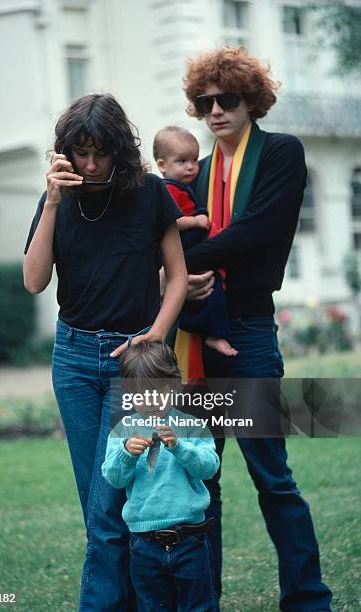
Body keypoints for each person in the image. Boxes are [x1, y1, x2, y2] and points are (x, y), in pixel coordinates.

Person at [176, 46, 333, 611]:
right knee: (199, 483)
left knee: (272, 476)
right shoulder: (197, 169)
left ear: (251, 101)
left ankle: (309, 599)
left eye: (228, 99)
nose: (215, 110)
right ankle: (204, 601)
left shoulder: (281, 153)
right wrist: (180, 272)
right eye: (205, 101)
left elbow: (258, 231)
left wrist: (185, 267)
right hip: (195, 334)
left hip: (246, 331)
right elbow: (177, 231)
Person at [23, 93, 187, 612]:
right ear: (65, 152)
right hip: (72, 360)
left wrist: (156, 335)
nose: (91, 164)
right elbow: (33, 282)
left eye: (101, 152)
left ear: (120, 148)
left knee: (109, 508)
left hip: (131, 363)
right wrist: (51, 200)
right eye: (80, 152)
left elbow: (178, 277)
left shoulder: (151, 194)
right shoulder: (57, 198)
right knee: (99, 504)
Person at [102, 341, 220, 612]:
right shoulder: (123, 430)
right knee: (152, 606)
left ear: (173, 387)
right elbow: (113, 478)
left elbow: (209, 467)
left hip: (190, 538)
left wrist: (179, 447)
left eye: (158, 393)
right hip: (144, 542)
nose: (151, 402)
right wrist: (125, 453)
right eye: (141, 395)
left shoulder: (191, 425)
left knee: (199, 606)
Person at [153, 125, 237, 358]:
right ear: (162, 165)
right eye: (181, 161)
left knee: (207, 288)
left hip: (189, 245)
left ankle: (210, 332)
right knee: (208, 289)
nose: (191, 166)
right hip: (182, 245)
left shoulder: (183, 186)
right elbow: (168, 223)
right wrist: (197, 221)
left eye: (193, 159)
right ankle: (213, 334)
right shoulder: (167, 189)